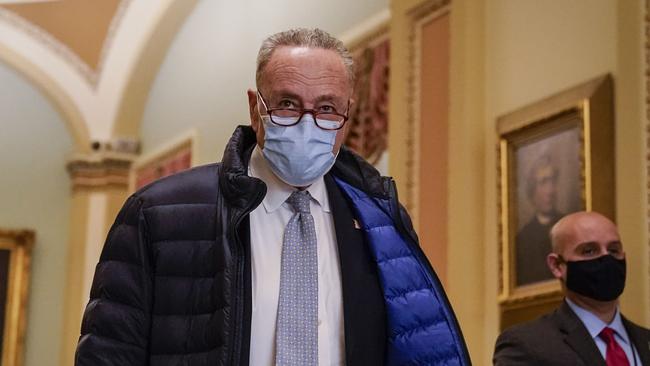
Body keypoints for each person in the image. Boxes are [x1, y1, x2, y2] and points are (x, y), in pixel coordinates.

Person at [74, 28, 470, 366]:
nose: (306, 123)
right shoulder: (157, 215)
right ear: (255, 107)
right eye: (287, 104)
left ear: (348, 114)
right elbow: (109, 353)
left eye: (327, 108)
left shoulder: (378, 221)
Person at [494, 211, 650, 366]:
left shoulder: (645, 341)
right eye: (589, 251)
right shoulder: (526, 345)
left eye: (613, 250)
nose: (606, 258)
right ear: (556, 266)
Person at [515, 154, 563, 285]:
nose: (550, 190)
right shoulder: (523, 238)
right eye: (543, 183)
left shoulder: (567, 226)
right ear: (532, 190)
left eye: (553, 181)